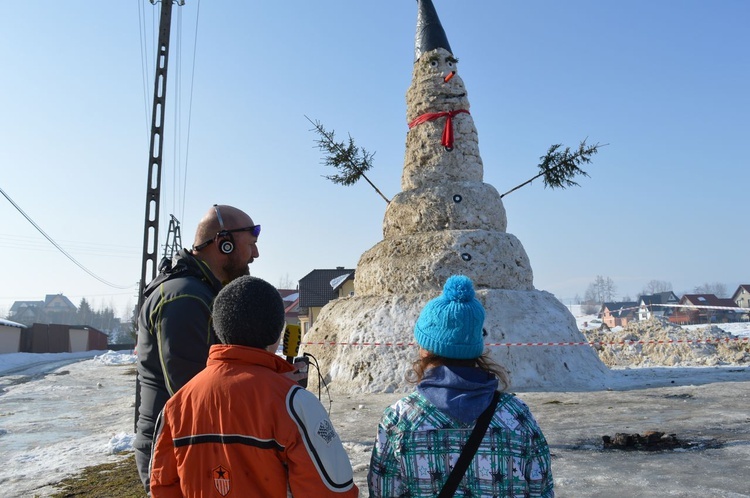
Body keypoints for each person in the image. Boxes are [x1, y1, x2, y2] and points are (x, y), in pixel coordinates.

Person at [149, 275, 359, 497]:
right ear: (278, 333)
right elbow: (333, 492)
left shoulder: (175, 407)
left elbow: (162, 487)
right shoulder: (296, 405)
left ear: (219, 328)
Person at [368, 275, 554, 497]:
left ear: (425, 350)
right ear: (475, 348)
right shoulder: (516, 416)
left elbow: (383, 492)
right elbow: (541, 489)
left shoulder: (400, 420)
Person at [134, 204, 264, 491]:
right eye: (251, 245)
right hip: (176, 450)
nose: (255, 255)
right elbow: (192, 392)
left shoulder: (200, 292)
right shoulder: (185, 298)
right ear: (224, 243)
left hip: (188, 442)